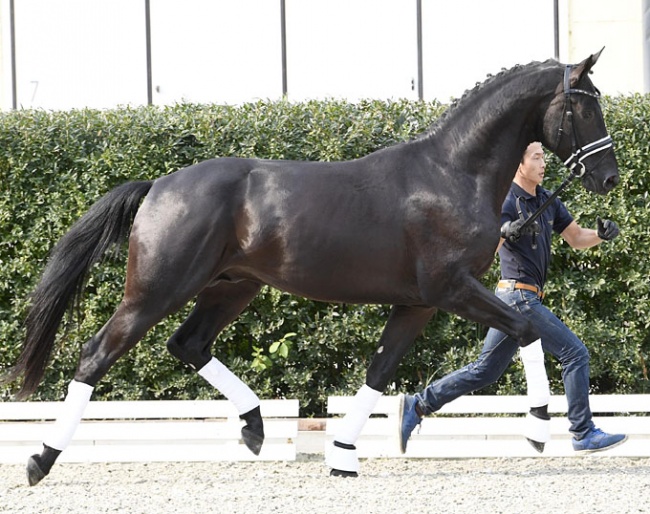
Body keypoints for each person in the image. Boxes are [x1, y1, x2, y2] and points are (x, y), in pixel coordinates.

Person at [399, 142, 627, 454]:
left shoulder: (546, 199)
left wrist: (600, 235)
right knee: (575, 354)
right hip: (518, 296)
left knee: (486, 370)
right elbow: (484, 250)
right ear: (520, 164)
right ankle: (583, 432)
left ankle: (418, 405)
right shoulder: (505, 199)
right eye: (536, 157)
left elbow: (575, 238)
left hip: (516, 300)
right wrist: (505, 232)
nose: (543, 162)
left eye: (544, 157)